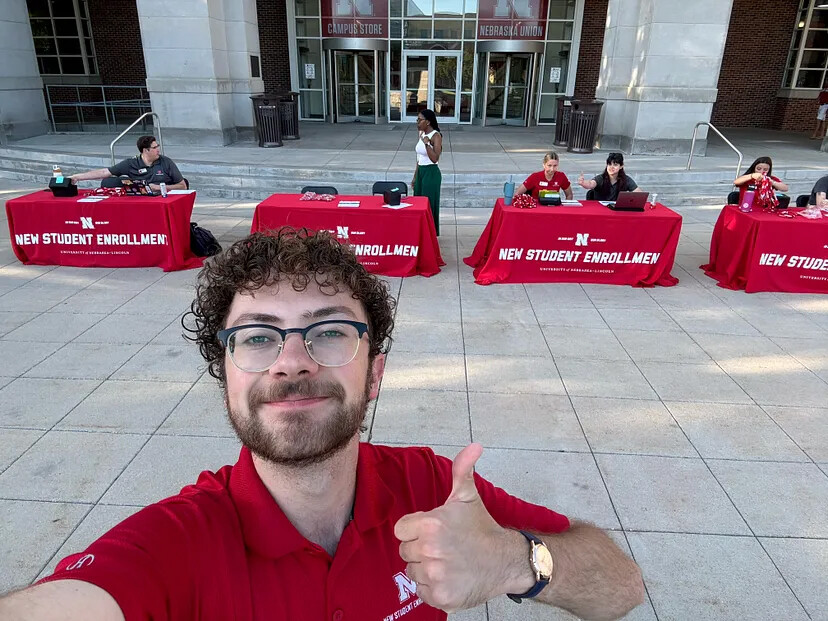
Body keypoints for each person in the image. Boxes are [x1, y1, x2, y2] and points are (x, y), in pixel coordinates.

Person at [0, 228, 645, 621]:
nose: (291, 362)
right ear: (225, 372)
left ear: (377, 370)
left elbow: (622, 587)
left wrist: (512, 561)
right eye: (257, 338)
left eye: (330, 332)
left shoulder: (431, 484)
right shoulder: (176, 544)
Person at [69, 135, 187, 193]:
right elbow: (105, 172)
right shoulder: (131, 163)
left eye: (158, 147)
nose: (158, 150)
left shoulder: (166, 162)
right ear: (145, 150)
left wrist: (159, 188)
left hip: (163, 199)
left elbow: (183, 186)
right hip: (140, 202)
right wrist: (77, 177)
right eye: (155, 147)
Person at [412, 109, 443, 235]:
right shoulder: (421, 134)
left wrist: (427, 145)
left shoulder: (436, 136)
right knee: (418, 203)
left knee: (429, 204)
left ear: (428, 122)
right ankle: (419, 231)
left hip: (431, 173)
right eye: (417, 119)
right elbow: (419, 158)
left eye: (420, 120)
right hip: (421, 172)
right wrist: (415, 176)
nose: (417, 122)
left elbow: (435, 158)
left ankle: (430, 233)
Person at [577, 153, 641, 201]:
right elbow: (591, 184)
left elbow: (640, 194)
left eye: (615, 165)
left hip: (617, 211)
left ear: (621, 166)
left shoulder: (626, 179)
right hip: (600, 210)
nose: (611, 167)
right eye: (609, 164)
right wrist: (583, 183)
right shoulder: (601, 178)